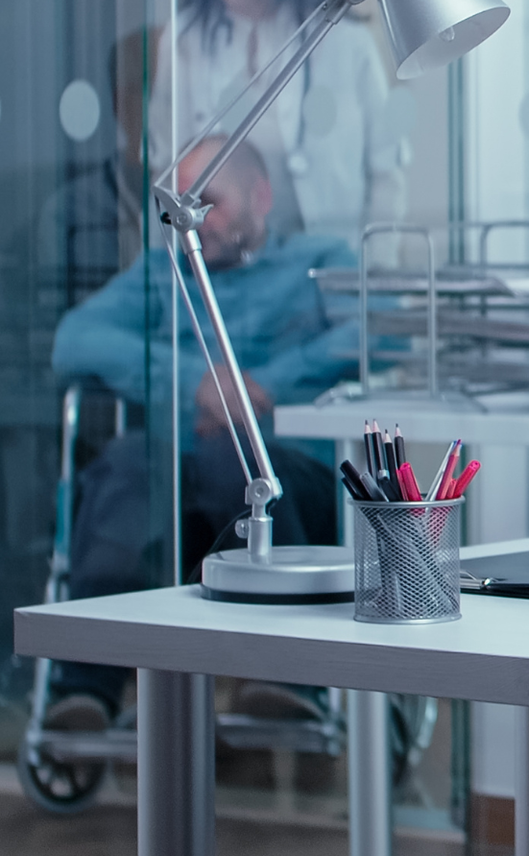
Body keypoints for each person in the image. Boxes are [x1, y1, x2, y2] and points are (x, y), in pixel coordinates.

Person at [47, 136, 357, 715]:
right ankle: (85, 687)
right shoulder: (165, 272)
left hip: (290, 483)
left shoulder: (319, 262)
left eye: (207, 202)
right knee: (124, 464)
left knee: (230, 462)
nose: (193, 221)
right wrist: (194, 381)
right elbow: (75, 339)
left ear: (260, 197)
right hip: (176, 485)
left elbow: (375, 332)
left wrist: (262, 385)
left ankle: (288, 677)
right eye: (181, 206)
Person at [151, 0, 406, 248]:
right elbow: (165, 172)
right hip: (219, 267)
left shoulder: (344, 41)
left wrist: (373, 278)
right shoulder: (185, 42)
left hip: (331, 268)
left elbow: (386, 173)